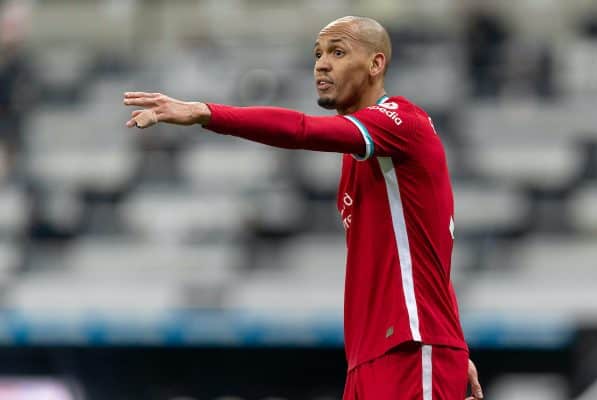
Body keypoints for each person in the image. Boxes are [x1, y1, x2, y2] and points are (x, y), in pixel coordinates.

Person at [124, 16, 484, 400]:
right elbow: (427, 252)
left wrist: (205, 113)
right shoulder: (358, 160)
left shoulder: (401, 121)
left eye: (338, 52)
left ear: (376, 64)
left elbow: (300, 129)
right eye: (318, 54)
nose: (322, 64)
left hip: (411, 347)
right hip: (370, 357)